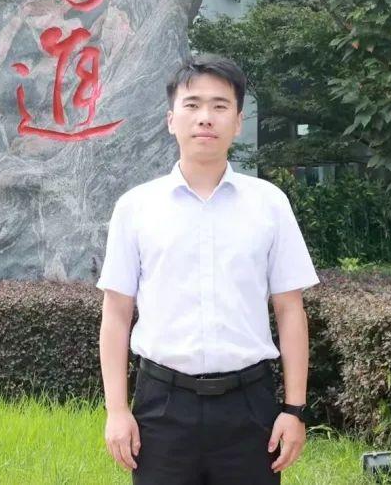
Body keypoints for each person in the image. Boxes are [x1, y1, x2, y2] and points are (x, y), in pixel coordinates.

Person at [97, 54, 320, 484]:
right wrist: (117, 410)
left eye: (220, 106)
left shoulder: (269, 204)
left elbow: (290, 309)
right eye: (193, 104)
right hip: (162, 407)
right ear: (171, 120)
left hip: (248, 406)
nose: (205, 117)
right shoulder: (136, 207)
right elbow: (117, 313)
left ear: (237, 122)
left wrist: (294, 410)